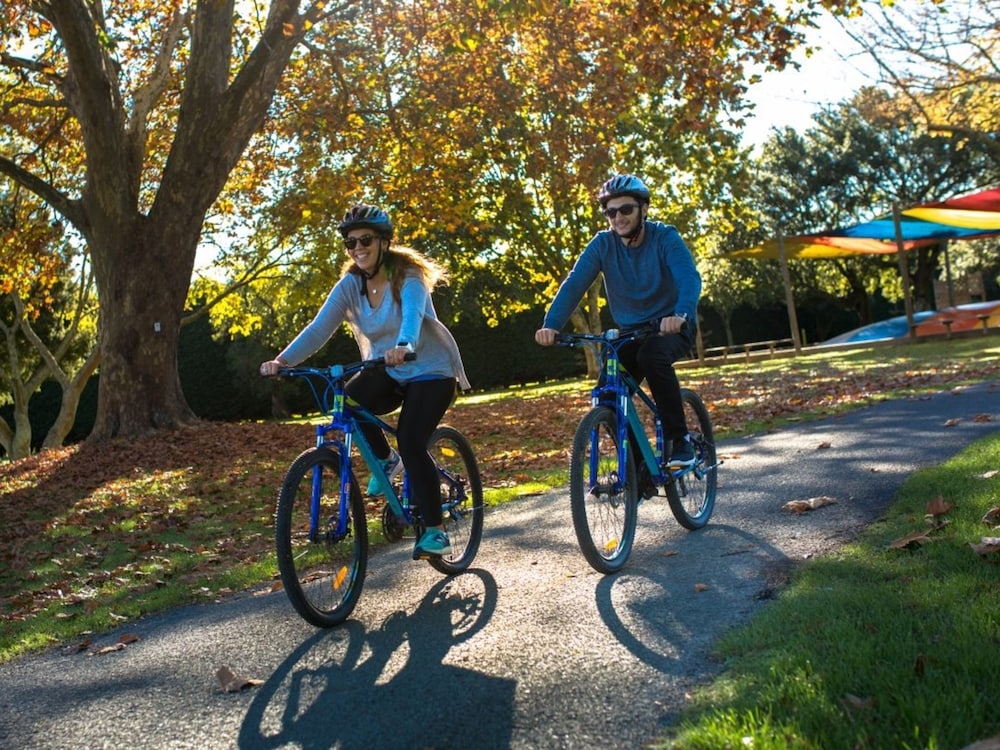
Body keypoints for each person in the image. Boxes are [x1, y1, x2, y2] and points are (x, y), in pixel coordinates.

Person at [260, 203, 470, 559]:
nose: (358, 248)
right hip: (386, 370)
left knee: (411, 438)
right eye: (350, 242)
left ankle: (435, 529)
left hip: (431, 371)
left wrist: (404, 346)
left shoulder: (409, 276)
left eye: (365, 240)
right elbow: (317, 329)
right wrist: (282, 361)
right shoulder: (349, 286)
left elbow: (413, 319)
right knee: (343, 400)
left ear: (385, 241)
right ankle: (387, 462)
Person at [534, 173, 702, 467]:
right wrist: (551, 325)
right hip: (631, 332)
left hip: (671, 326)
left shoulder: (665, 237)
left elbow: (689, 278)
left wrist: (681, 314)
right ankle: (639, 468)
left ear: (643, 209)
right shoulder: (602, 244)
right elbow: (574, 284)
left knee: (653, 358)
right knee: (607, 395)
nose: (618, 218)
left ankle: (680, 442)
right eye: (611, 212)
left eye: (626, 209)